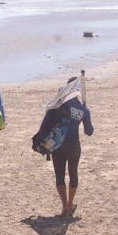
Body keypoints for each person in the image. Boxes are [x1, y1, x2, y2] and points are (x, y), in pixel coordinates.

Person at [37, 76, 94, 216]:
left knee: (59, 175)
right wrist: (84, 113)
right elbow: (89, 132)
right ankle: (70, 203)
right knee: (73, 172)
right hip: (74, 145)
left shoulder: (59, 104)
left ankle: (64, 205)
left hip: (58, 144)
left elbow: (47, 121)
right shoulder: (83, 108)